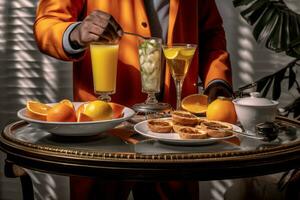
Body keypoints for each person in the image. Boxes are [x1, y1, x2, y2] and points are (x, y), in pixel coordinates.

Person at [34, 0, 233, 199]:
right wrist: (77, 33)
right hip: (102, 130)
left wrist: (217, 79)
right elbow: (47, 23)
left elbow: (210, 32)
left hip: (172, 133)